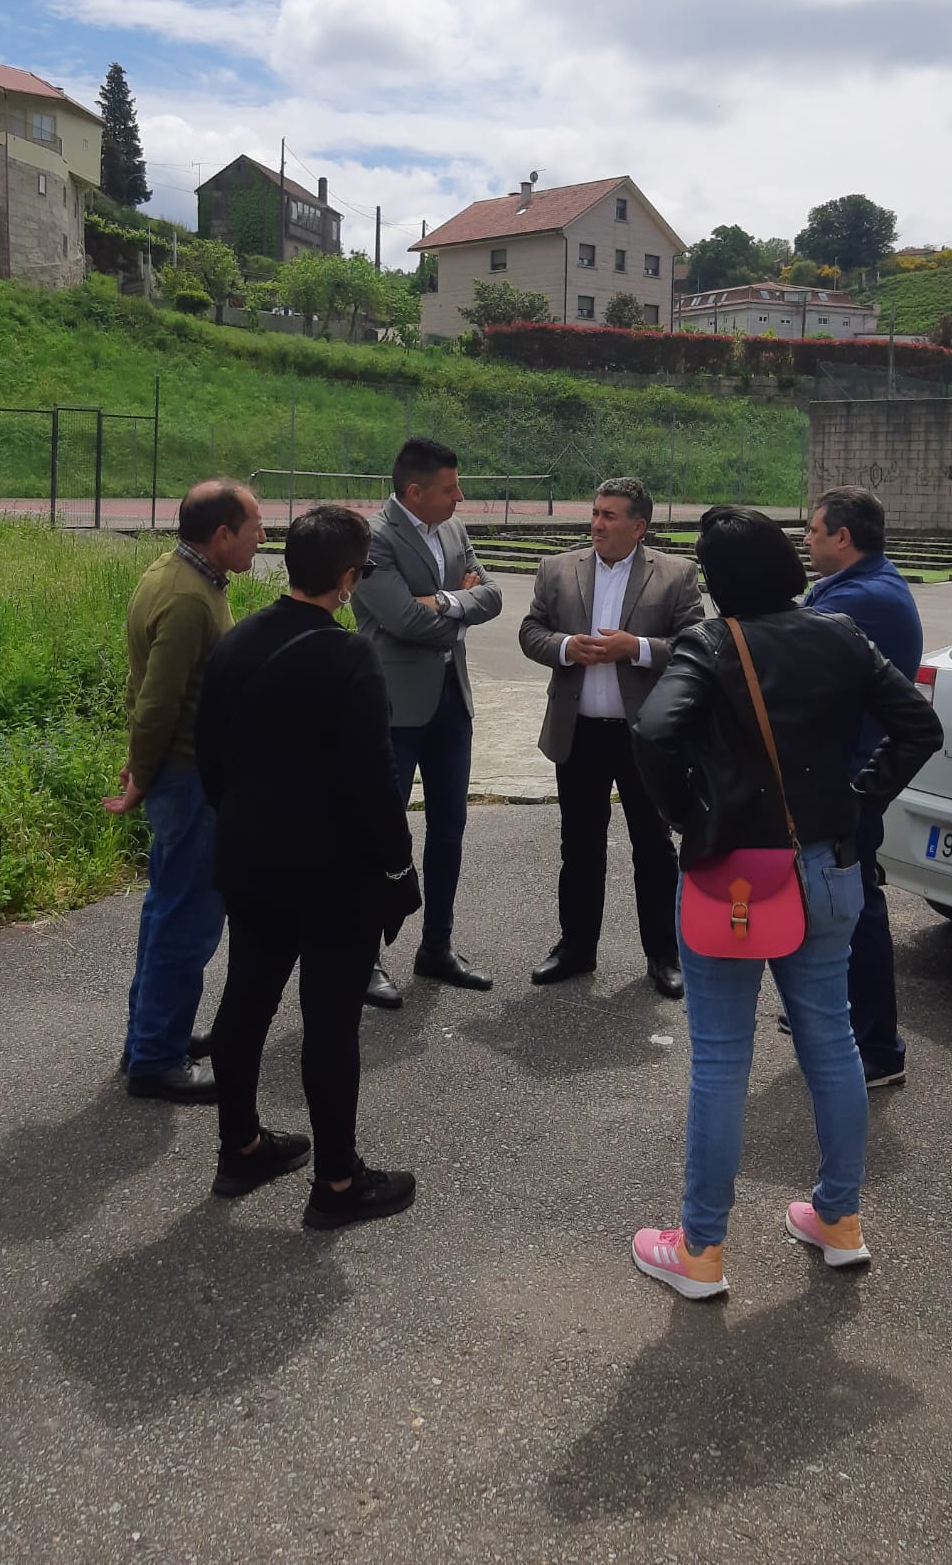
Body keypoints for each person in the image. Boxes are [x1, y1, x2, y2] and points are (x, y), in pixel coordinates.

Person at [629, 506, 941, 1296]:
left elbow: (655, 732)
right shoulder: (838, 633)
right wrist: (861, 803)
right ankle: (837, 1220)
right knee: (831, 1043)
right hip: (829, 866)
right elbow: (918, 724)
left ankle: (700, 1250)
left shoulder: (710, 644)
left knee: (723, 1060)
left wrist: (687, 818)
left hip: (733, 871)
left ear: (720, 579)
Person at [194, 505, 419, 1224]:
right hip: (334, 874)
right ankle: (337, 1185)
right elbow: (373, 778)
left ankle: (241, 1147)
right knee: (328, 1025)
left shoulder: (238, 640)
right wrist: (396, 868)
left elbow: (209, 753)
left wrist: (243, 818)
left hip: (251, 858)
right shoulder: (350, 655)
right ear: (348, 579)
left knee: (245, 1002)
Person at [105, 479, 265, 1102]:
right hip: (189, 778)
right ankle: (155, 1059)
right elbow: (157, 699)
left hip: (179, 773)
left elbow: (147, 686)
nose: (262, 538)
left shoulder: (173, 575)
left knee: (165, 910)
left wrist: (143, 765)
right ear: (221, 535)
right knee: (186, 921)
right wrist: (142, 774)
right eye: (254, 528)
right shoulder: (190, 599)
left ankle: (151, 1034)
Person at [519, 478, 705, 998]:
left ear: (639, 526)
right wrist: (562, 647)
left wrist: (637, 647)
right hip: (578, 732)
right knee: (579, 845)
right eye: (595, 512)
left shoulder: (675, 575)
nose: (597, 523)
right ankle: (576, 947)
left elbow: (695, 644)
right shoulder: (558, 569)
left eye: (610, 516)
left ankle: (664, 955)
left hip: (645, 736)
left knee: (653, 847)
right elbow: (530, 631)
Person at [351, 437, 504, 1005]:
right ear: (414, 492)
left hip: (449, 700)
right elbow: (401, 620)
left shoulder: (454, 531)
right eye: (449, 489)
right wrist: (453, 605)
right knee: (379, 833)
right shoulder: (373, 539)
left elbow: (491, 596)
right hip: (394, 707)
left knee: (450, 829)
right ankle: (364, 957)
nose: (460, 498)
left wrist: (439, 603)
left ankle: (436, 946)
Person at [800, 487, 923, 1088]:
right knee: (838, 901)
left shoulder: (862, 599)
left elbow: (787, 642)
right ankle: (841, 1021)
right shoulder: (857, 586)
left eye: (814, 531)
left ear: (842, 537)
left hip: (853, 773)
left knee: (856, 908)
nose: (807, 539)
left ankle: (877, 1047)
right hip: (847, 765)